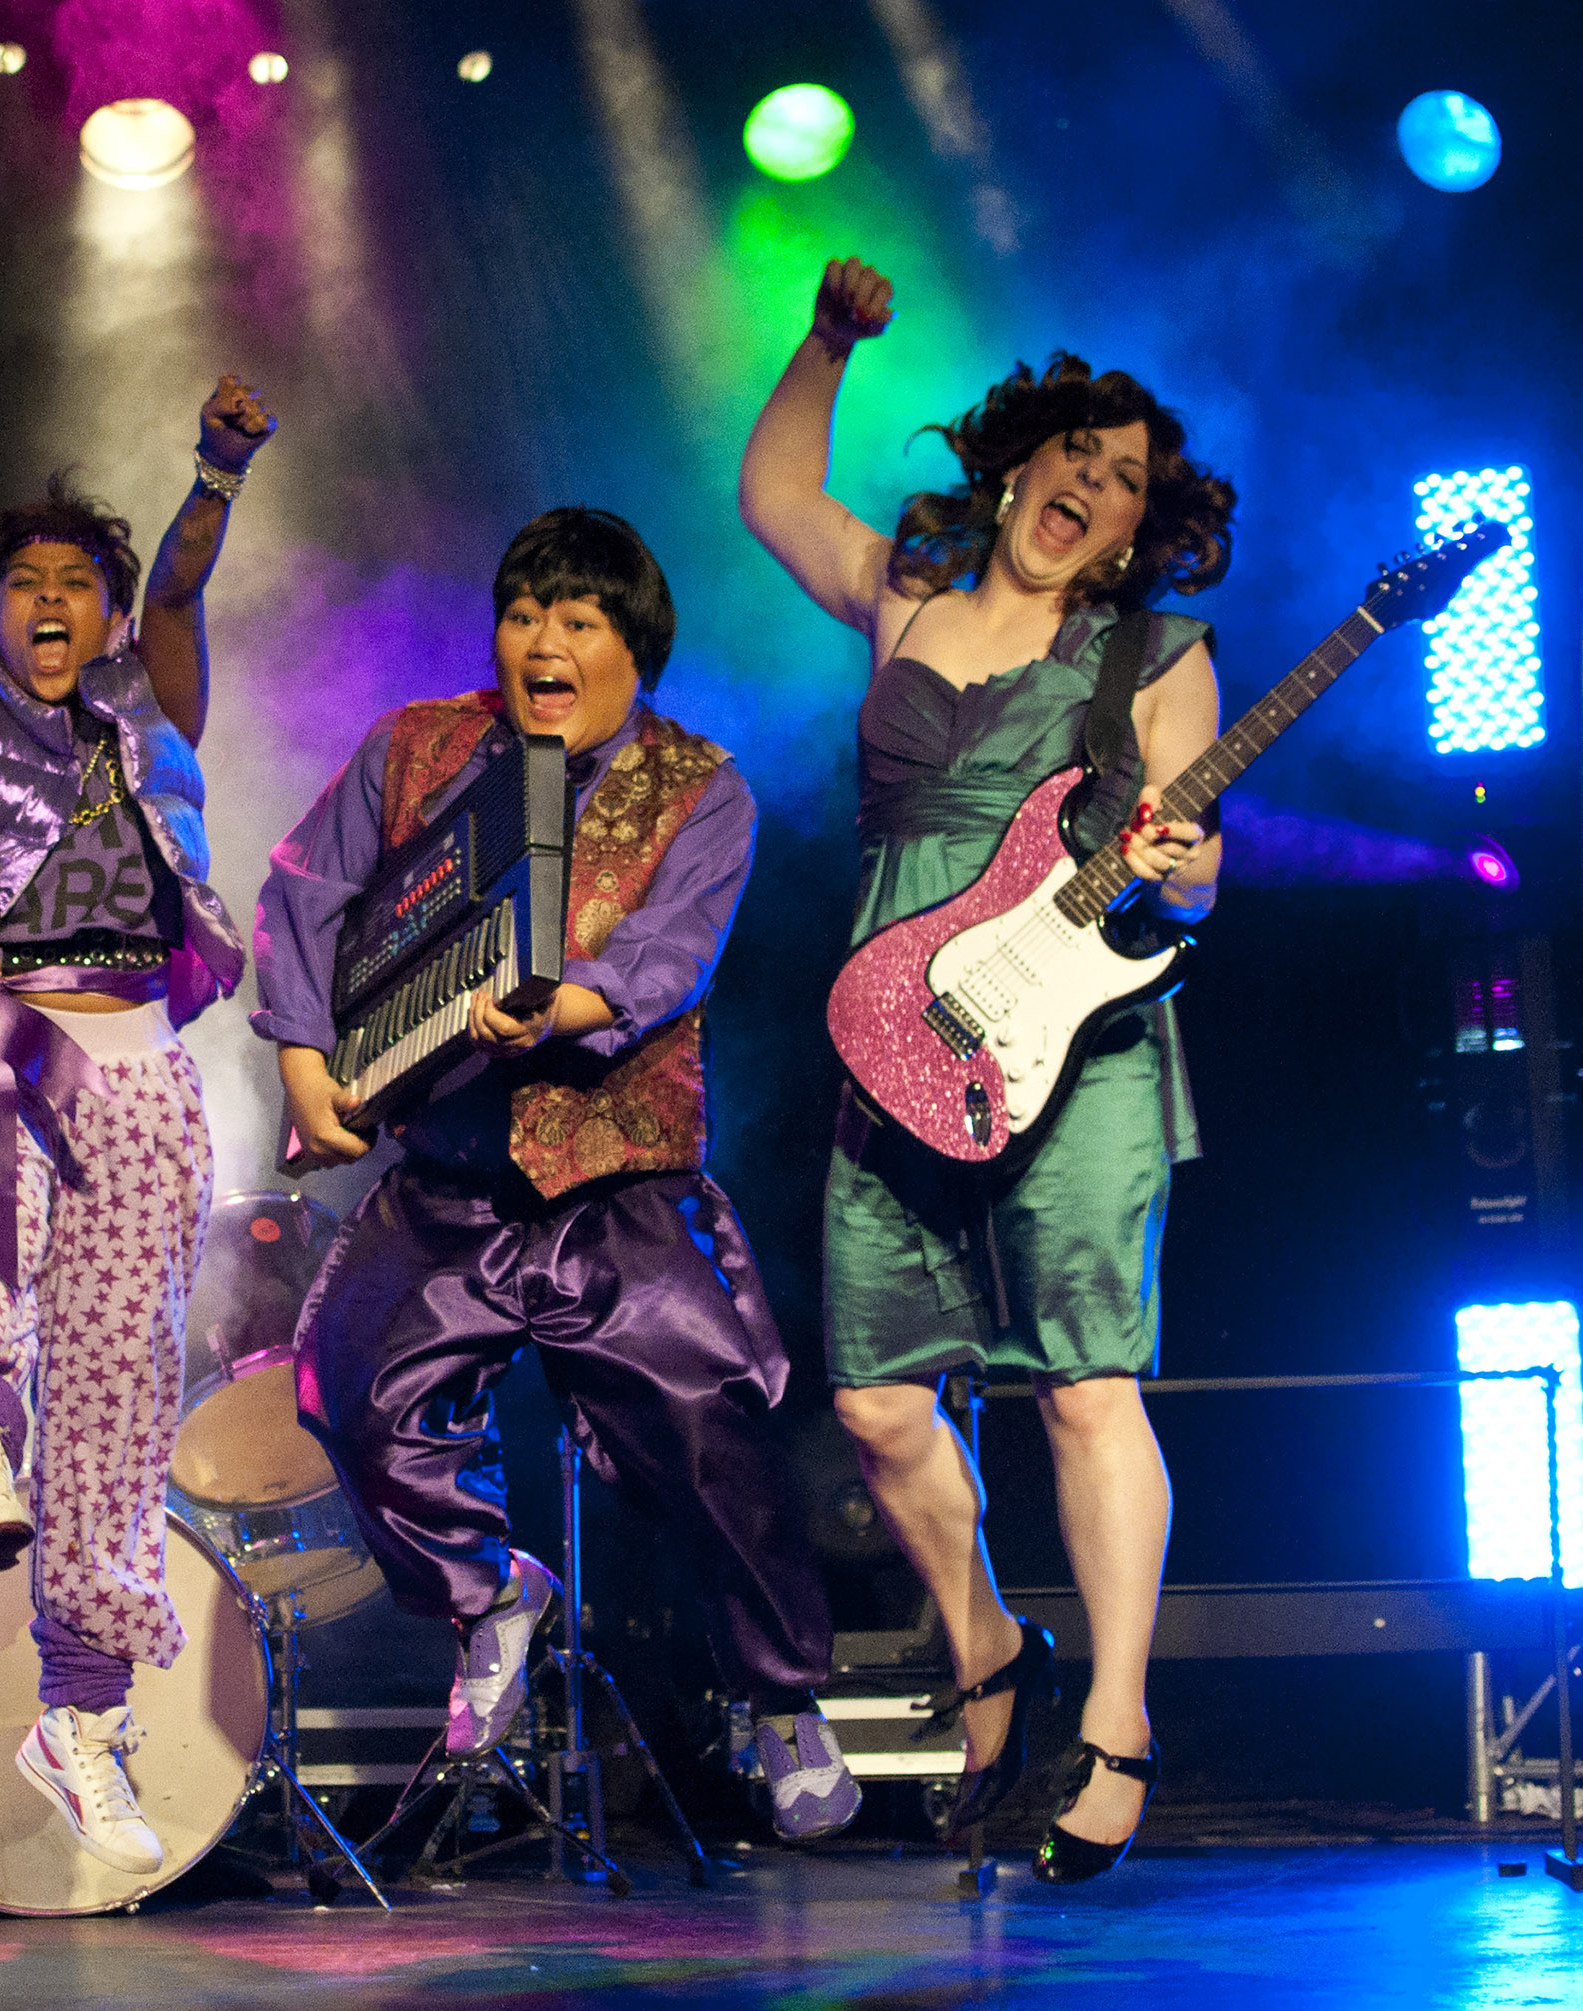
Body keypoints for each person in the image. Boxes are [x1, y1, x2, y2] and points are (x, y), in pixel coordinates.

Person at [256, 506, 864, 1843]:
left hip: (616, 1183)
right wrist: (304, 1062)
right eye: (524, 615)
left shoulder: (702, 788)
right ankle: (490, 1596)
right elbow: (303, 893)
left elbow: (666, 962)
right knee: (343, 1386)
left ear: (633, 647)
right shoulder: (418, 748)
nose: (543, 643)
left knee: (710, 1430)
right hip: (452, 1176)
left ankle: (781, 1697)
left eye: (577, 621)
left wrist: (556, 1010)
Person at [738, 257, 1234, 1881]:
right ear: (1018, 465)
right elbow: (774, 496)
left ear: (1138, 529)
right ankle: (989, 1645)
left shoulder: (1151, 656)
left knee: (1086, 1387)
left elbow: (1200, 877)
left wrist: (1177, 861)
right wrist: (826, 343)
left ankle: (1119, 1723)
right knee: (879, 1404)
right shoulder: (906, 597)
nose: (1091, 487)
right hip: (902, 1037)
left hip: (1078, 1049)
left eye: (1127, 481)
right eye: (1075, 454)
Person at [0, 379, 273, 1875]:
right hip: (2, 1029)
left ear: (106, 613)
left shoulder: (154, 708)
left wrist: (215, 469)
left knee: (117, 1389)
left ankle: (82, 1719)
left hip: (142, 1062)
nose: (50, 601)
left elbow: (184, 585)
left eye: (76, 584)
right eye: (25, 582)